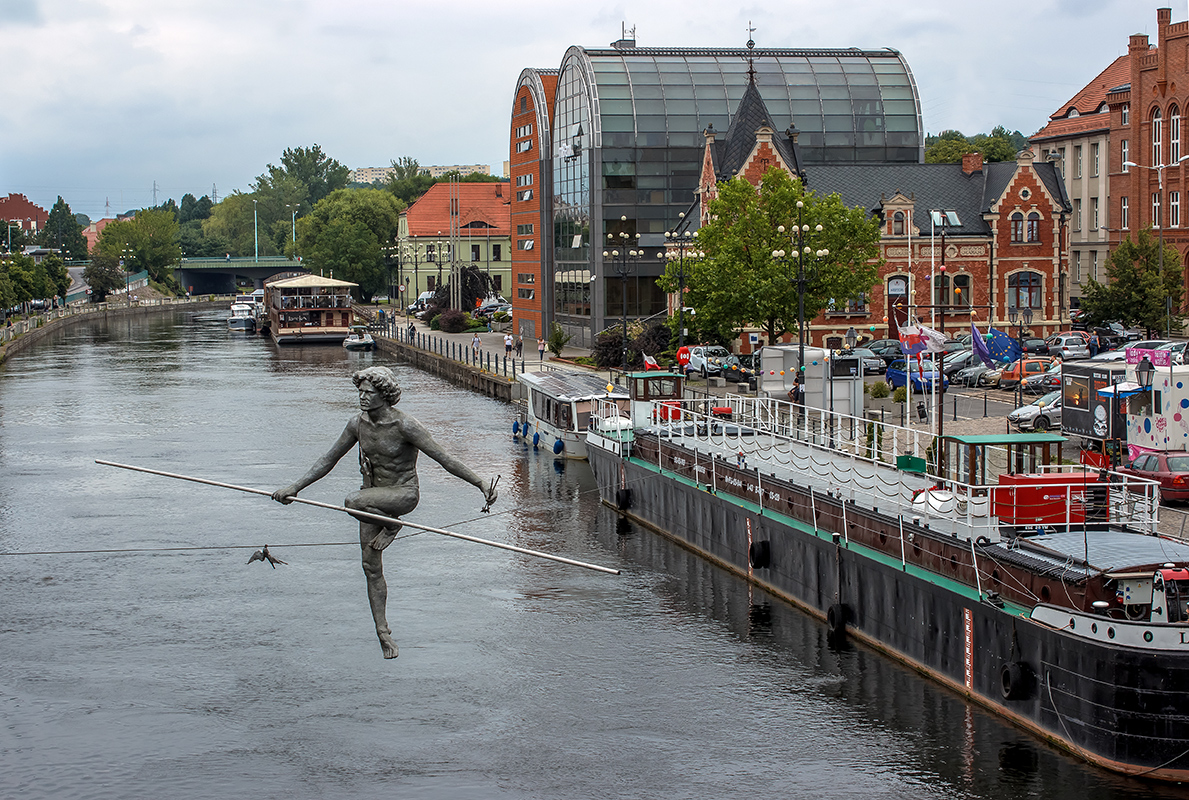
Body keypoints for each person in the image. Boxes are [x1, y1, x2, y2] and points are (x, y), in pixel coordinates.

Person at [272, 366, 497, 659]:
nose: (362, 397)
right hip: (373, 501)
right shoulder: (357, 424)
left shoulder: (405, 426)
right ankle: (383, 633)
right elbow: (327, 460)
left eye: (369, 392)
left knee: (351, 501)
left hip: (401, 496)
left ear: (385, 394)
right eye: (360, 391)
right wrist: (295, 487)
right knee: (370, 567)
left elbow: (444, 458)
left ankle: (392, 525)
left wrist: (480, 483)